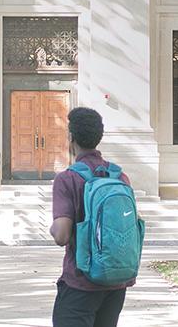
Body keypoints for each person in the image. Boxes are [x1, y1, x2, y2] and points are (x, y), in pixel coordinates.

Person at [49, 107, 136, 327]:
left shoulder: (67, 179)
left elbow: (61, 235)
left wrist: (52, 227)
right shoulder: (119, 176)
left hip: (80, 282)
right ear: (99, 137)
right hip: (116, 283)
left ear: (71, 138)